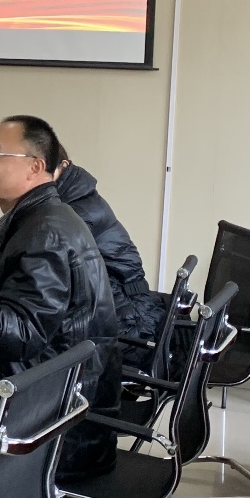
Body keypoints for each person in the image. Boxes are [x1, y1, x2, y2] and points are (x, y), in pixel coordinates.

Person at [0, 115, 121, 481]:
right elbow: (20, 280)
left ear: (35, 167)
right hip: (59, 404)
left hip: (48, 430)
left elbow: (20, 334)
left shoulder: (46, 232)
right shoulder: (44, 218)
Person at [54, 148, 167, 369]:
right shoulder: (77, 198)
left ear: (64, 165)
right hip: (131, 308)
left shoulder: (76, 211)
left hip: (129, 322)